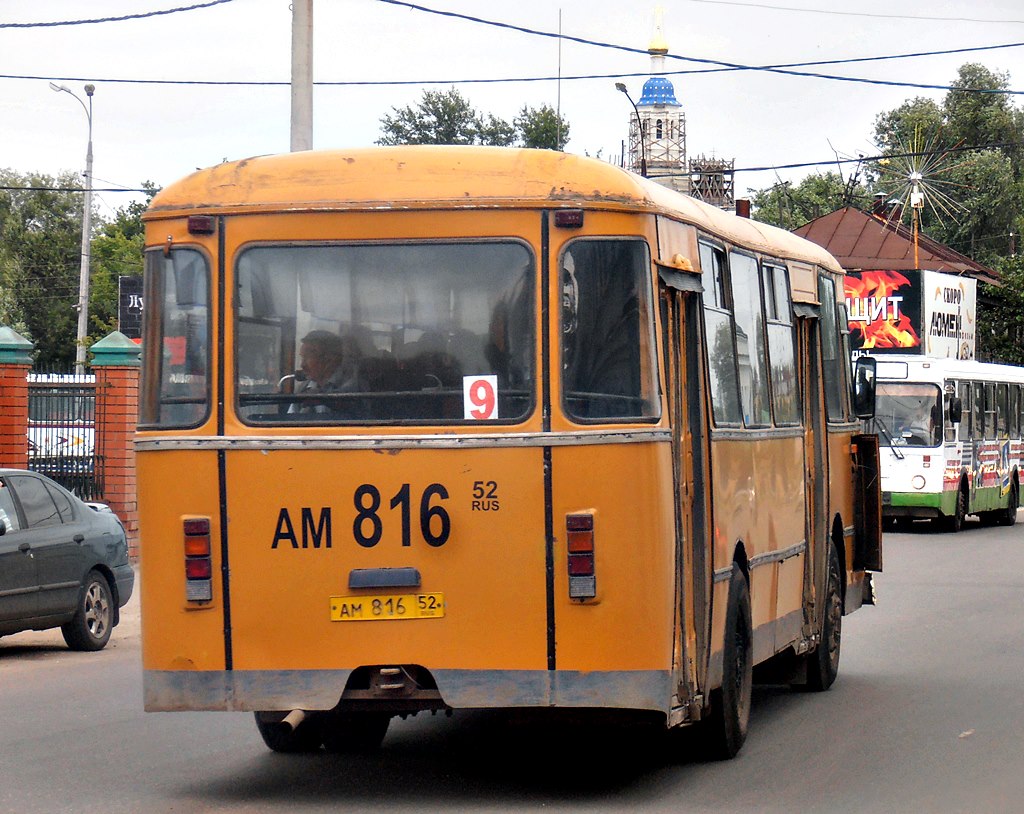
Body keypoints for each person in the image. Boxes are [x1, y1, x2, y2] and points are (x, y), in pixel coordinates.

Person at [290, 330, 361, 414]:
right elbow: (290, 418)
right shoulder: (303, 388)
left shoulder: (353, 385)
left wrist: (322, 398)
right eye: (302, 358)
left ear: (330, 359)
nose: (302, 365)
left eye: (308, 357)